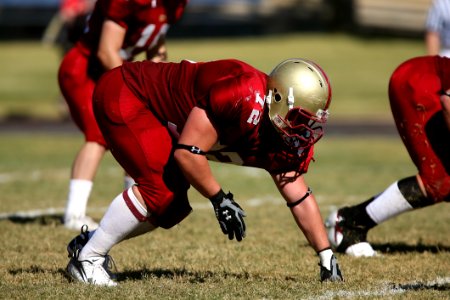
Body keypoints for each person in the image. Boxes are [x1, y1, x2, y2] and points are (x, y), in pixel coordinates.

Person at [64, 58, 344, 286]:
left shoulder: (279, 134)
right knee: (158, 192)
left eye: (310, 122)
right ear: (279, 98)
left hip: (159, 117)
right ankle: (87, 260)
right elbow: (187, 153)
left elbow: (298, 195)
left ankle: (91, 243)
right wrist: (219, 198)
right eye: (299, 119)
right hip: (129, 93)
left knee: (172, 208)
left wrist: (325, 255)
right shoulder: (242, 95)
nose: (303, 131)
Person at [58, 0, 189, 230]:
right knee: (98, 137)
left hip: (118, 70)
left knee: (137, 131)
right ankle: (74, 214)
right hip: (85, 71)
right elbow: (106, 52)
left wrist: (157, 77)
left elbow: (156, 38)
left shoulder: (174, 4)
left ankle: (140, 204)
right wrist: (136, 87)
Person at [326, 55, 450, 257]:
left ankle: (351, 221)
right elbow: (447, 99)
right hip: (420, 81)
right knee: (438, 180)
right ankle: (349, 223)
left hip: (427, 81)